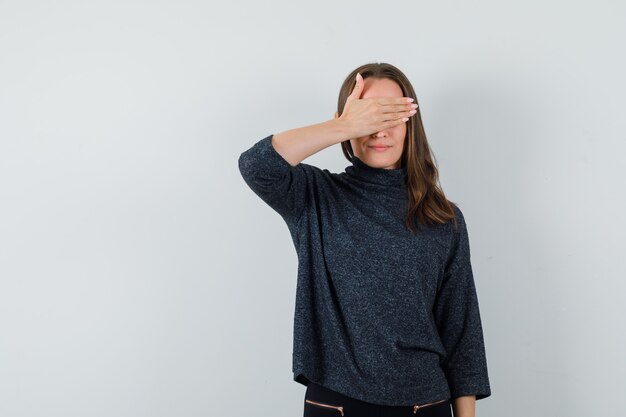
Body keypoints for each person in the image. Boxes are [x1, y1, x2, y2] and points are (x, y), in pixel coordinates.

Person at [238, 62, 491, 417]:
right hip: (336, 401)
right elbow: (256, 165)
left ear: (411, 124)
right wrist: (342, 125)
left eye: (390, 115)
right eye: (368, 116)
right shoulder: (315, 196)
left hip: (425, 402)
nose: (378, 130)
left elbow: (461, 331)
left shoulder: (443, 217)